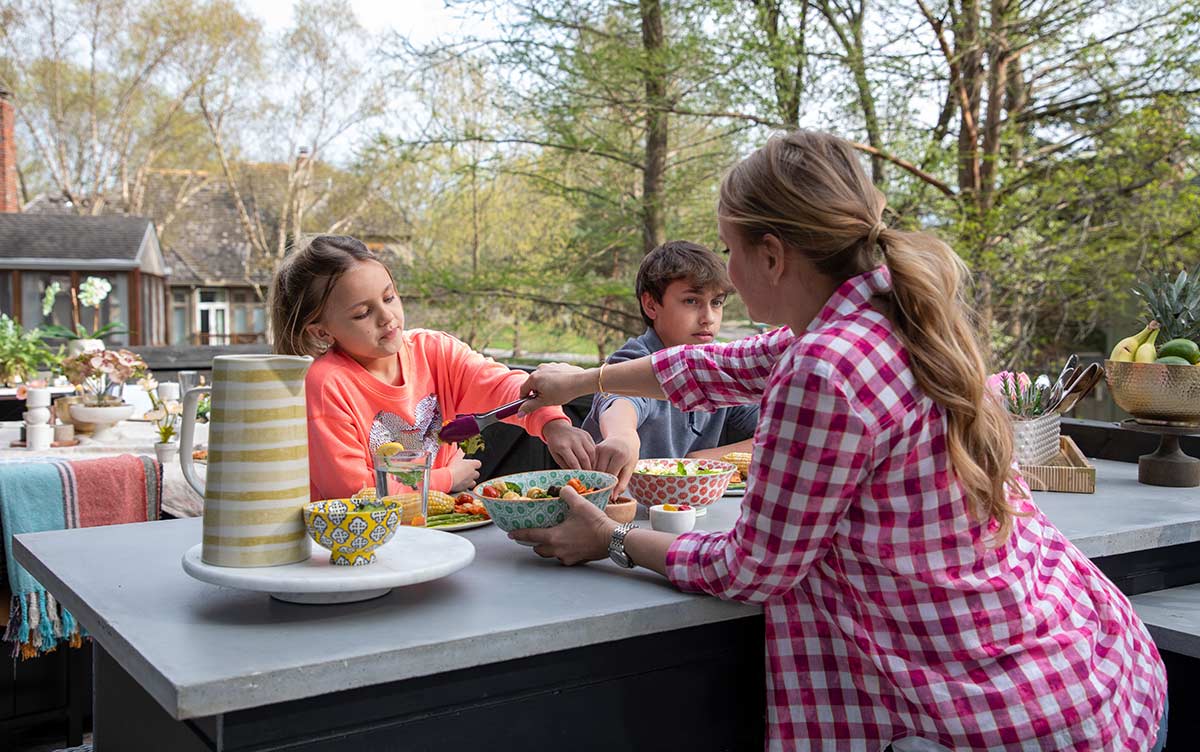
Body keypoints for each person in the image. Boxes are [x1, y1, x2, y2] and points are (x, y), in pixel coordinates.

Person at [512, 131, 1167, 750]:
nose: (728, 275)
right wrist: (581, 378)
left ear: (772, 255)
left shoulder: (825, 366)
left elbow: (753, 568)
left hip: (997, 717)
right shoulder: (891, 308)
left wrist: (611, 539)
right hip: (1094, 667)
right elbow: (722, 366)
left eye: (731, 250)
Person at [268, 235, 595, 500]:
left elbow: (499, 385)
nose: (387, 317)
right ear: (322, 330)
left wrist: (553, 424)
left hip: (435, 530)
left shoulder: (433, 351)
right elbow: (353, 492)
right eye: (361, 314)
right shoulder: (325, 385)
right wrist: (445, 479)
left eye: (389, 297)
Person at [582, 240, 758, 490]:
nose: (708, 318)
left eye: (716, 303)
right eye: (691, 301)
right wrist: (622, 436)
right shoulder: (635, 358)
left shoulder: (717, 366)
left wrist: (703, 459)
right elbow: (621, 400)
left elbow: (778, 433)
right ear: (651, 304)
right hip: (623, 508)